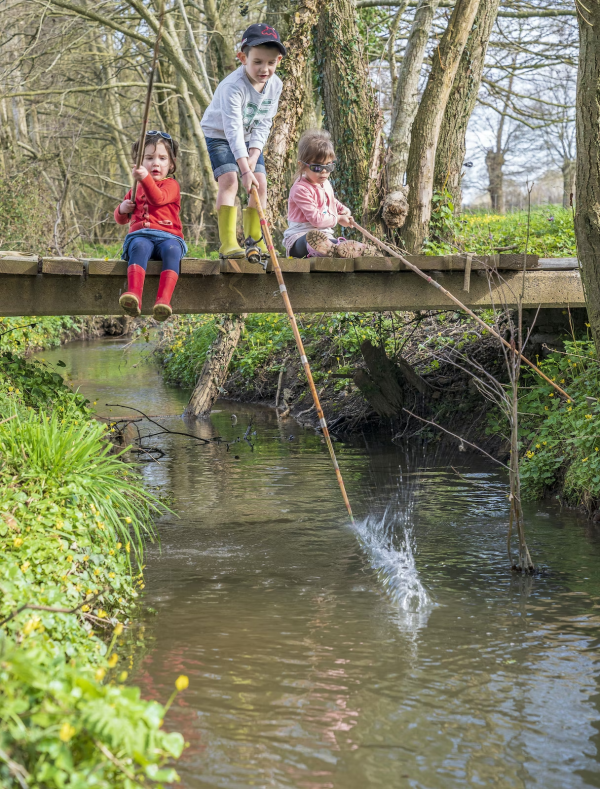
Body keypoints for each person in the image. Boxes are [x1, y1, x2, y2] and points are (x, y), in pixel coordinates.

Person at [201, 23, 286, 258]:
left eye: (271, 63)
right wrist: (243, 169)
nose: (264, 69)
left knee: (261, 183)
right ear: (242, 57)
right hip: (220, 134)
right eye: (257, 61)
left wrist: (254, 158)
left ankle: (253, 241)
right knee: (230, 180)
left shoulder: (275, 85)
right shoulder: (233, 87)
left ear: (278, 60)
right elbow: (232, 129)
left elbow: (264, 123)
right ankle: (228, 244)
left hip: (249, 137)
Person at [115, 131, 187, 321]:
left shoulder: (171, 185)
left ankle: (163, 301)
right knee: (139, 245)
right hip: (142, 236)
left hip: (168, 237)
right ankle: (134, 295)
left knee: (172, 250)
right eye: (149, 158)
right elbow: (122, 220)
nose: (156, 163)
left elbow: (157, 198)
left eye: (162, 158)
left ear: (171, 164)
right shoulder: (134, 189)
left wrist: (144, 178)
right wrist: (122, 209)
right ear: (139, 162)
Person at [284, 129, 376, 259]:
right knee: (308, 240)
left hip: (325, 235)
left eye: (328, 167)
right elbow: (316, 219)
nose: (324, 172)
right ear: (302, 165)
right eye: (317, 167)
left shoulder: (325, 183)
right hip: (299, 239)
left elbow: (330, 201)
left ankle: (349, 249)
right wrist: (338, 218)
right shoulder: (300, 189)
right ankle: (330, 248)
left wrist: (342, 210)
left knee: (336, 244)